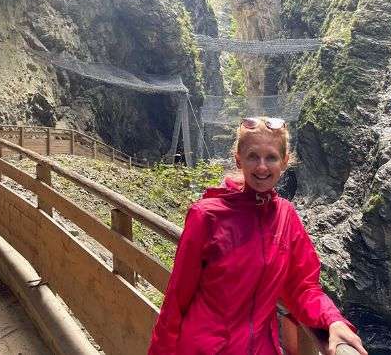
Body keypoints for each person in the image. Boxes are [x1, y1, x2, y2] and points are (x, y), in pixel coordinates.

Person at [149, 117, 368, 355]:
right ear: (238, 159)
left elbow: (303, 287)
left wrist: (332, 319)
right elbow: (176, 301)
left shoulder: (286, 216)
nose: (262, 167)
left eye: (271, 157)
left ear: (284, 162)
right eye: (253, 156)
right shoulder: (206, 216)